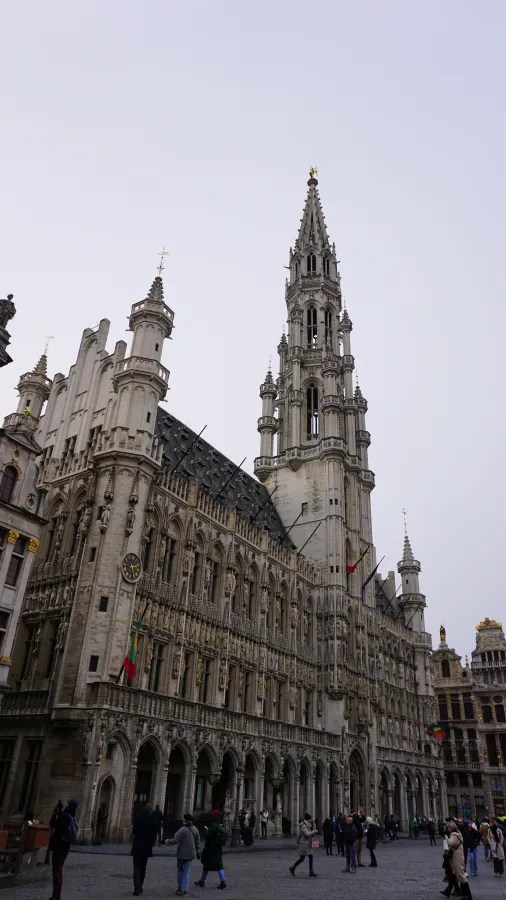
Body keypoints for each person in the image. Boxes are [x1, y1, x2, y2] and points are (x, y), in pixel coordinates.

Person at [48, 798, 79, 900]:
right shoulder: (72, 816)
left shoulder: (64, 817)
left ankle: (56, 895)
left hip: (58, 845)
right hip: (66, 846)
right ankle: (56, 894)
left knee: (57, 871)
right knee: (59, 870)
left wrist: (56, 811)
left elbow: (52, 824)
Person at [168, 813, 200, 897]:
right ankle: (184, 889)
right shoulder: (195, 829)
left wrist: (166, 841)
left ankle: (180, 888)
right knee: (187, 871)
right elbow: (198, 842)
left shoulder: (182, 829)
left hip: (182, 853)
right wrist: (198, 851)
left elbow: (175, 840)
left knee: (180, 870)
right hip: (190, 853)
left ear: (185, 820)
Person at [131, 801, 158, 897]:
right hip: (147, 846)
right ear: (151, 810)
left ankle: (136, 887)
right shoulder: (152, 819)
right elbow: (155, 832)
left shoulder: (138, 816)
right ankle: (140, 886)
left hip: (138, 845)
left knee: (136, 867)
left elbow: (134, 830)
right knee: (143, 867)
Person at [195, 810, 227, 889]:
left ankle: (221, 882)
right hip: (218, 847)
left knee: (208, 864)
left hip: (211, 847)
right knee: (218, 864)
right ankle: (204, 881)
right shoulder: (220, 824)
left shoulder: (213, 825)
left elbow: (208, 835)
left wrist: (205, 830)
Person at [441, 821, 473, 899]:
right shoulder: (457, 833)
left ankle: (468, 895)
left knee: (461, 876)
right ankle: (463, 894)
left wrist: (446, 837)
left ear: (451, 828)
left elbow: (450, 843)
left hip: (457, 858)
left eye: (448, 827)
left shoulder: (454, 835)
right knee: (457, 875)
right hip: (457, 857)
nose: (447, 829)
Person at [289, 812, 318, 878]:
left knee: (310, 856)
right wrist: (314, 832)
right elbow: (307, 834)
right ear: (308, 819)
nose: (311, 820)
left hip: (308, 844)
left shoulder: (307, 825)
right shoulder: (303, 826)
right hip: (304, 844)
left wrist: (297, 840)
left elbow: (300, 834)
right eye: (310, 819)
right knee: (302, 859)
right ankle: (292, 868)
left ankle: (311, 871)